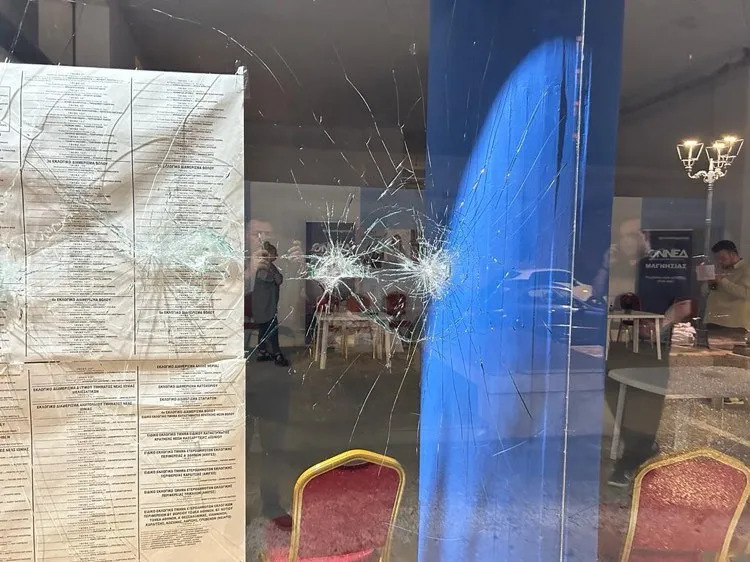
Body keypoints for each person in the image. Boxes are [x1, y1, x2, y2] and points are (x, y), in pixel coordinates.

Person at [252, 242, 290, 367]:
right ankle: (277, 353)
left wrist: (275, 276)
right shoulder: (263, 267)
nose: (276, 255)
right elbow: (274, 279)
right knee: (272, 328)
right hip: (264, 305)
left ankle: (262, 352)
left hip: (266, 304)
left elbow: (279, 279)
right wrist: (275, 276)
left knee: (264, 328)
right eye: (274, 253)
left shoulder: (270, 266)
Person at [705, 240, 750, 343]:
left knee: (731, 353)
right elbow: (712, 292)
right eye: (717, 259)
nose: (719, 262)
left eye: (722, 258)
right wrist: (711, 283)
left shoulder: (746, 270)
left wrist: (722, 281)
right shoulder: (721, 269)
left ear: (733, 254)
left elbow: (746, 294)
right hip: (714, 320)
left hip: (733, 324)